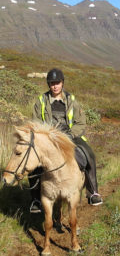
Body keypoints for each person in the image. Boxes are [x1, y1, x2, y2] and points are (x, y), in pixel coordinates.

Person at [29, 68, 103, 213]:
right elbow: (36, 121)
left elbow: (81, 122)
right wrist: (47, 136)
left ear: (62, 83)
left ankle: (92, 192)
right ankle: (36, 200)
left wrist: (70, 134)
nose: (55, 86)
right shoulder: (41, 101)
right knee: (32, 164)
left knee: (89, 154)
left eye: (57, 83)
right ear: (48, 84)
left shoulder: (72, 100)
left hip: (71, 136)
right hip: (49, 138)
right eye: (52, 83)